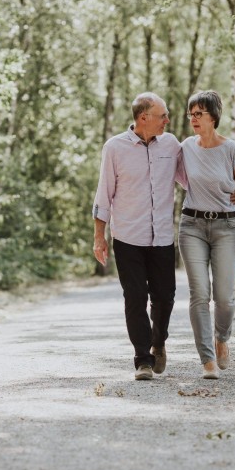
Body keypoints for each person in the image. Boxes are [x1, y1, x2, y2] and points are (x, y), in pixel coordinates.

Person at [92, 92, 187, 380]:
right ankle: (143, 359)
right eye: (163, 116)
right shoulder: (115, 148)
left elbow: (189, 179)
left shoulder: (171, 145)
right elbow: (103, 194)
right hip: (128, 237)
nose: (167, 121)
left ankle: (159, 343)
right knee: (135, 296)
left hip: (161, 237)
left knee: (165, 297)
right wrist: (99, 236)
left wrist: (226, 189)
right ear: (143, 117)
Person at [178, 90, 235, 380]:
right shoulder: (186, 147)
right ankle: (207, 360)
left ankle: (222, 338)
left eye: (199, 114)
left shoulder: (231, 150)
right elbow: (174, 175)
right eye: (191, 114)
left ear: (213, 117)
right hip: (192, 226)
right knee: (199, 293)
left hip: (227, 227)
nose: (193, 119)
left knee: (224, 297)